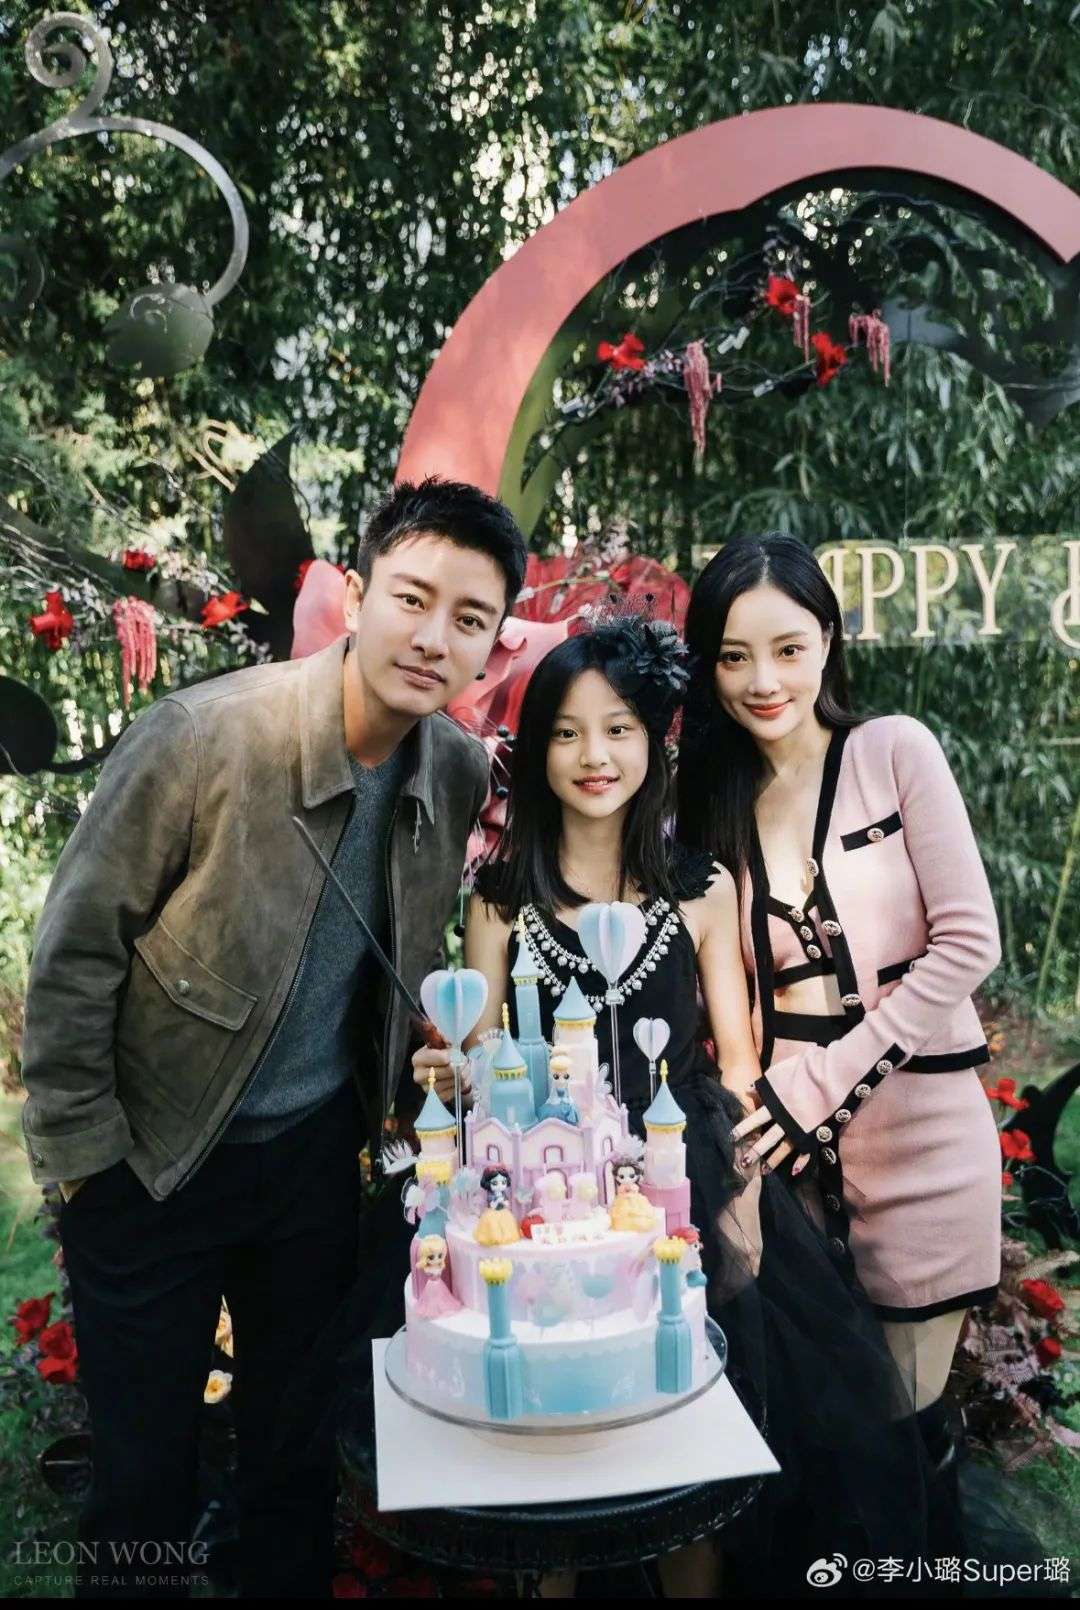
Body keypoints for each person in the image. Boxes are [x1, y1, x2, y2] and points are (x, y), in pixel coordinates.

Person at [19, 475, 527, 1599]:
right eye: (413, 598)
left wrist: (418, 1069)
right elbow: (74, 958)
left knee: (292, 1468)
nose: (432, 637)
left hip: (309, 1165)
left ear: (491, 643)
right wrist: (89, 1166)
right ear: (355, 595)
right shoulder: (201, 737)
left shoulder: (452, 768)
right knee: (144, 1481)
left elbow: (400, 945)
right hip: (154, 1156)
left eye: (469, 618)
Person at [412, 617, 940, 1598]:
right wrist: (452, 1073)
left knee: (691, 1446)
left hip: (679, 1162)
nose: (594, 755)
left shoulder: (701, 886)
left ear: (654, 742)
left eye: (618, 728)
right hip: (545, 1179)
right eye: (567, 733)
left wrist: (747, 1203)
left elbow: (737, 1060)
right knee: (554, 1463)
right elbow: (482, 1052)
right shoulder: (498, 895)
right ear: (537, 752)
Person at [676, 533, 1003, 1562]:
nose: (763, 680)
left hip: (923, 1148)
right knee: (813, 1442)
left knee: (895, 1442)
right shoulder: (715, 803)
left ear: (828, 638)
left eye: (787, 648)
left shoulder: (895, 750)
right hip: (792, 1167)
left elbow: (969, 942)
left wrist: (817, 1082)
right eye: (733, 657)